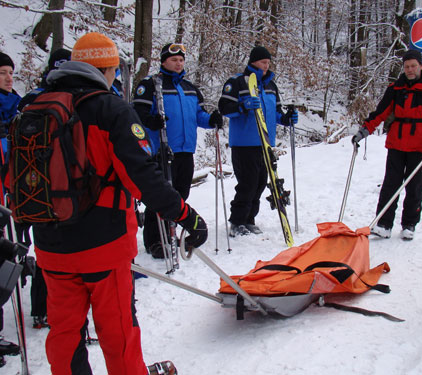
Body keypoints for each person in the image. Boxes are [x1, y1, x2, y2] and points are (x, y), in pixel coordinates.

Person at [28, 32, 207, 375]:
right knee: (118, 332)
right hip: (103, 247)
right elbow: (143, 177)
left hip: (51, 247)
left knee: (64, 333)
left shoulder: (36, 108)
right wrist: (185, 215)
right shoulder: (110, 110)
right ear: (108, 70)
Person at [133, 43, 221, 258]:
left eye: (181, 60)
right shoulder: (150, 85)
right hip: (161, 150)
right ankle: (154, 240)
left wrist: (211, 120)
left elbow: (198, 116)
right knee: (160, 196)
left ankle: (171, 231)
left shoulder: (190, 88)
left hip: (185, 150)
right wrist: (150, 121)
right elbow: (136, 113)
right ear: (164, 62)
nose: (178, 63)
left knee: (181, 194)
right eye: (174, 60)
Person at [352, 49, 422, 240]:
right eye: (406, 67)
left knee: (414, 187)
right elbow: (380, 112)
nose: (410, 70)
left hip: (420, 145)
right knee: (390, 184)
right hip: (396, 143)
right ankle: (384, 223)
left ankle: (409, 224)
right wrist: (365, 130)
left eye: (413, 66)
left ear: (421, 66)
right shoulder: (396, 88)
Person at [218, 46, 298, 237]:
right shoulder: (237, 82)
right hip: (244, 142)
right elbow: (224, 108)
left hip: (265, 142)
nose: (266, 66)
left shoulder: (271, 86)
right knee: (248, 183)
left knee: (261, 182)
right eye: (263, 62)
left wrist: (287, 119)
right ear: (253, 61)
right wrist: (243, 106)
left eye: (268, 63)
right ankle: (237, 221)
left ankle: (249, 219)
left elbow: (276, 112)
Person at [18, 47, 72, 330]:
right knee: (45, 250)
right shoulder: (34, 99)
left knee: (60, 249)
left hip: (63, 182)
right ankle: (41, 308)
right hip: (37, 181)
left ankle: (58, 307)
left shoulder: (76, 99)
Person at [0, 51, 21, 368]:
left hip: (9, 187)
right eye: (2, 72)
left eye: (9, 72)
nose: (8, 76)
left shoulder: (18, 106)